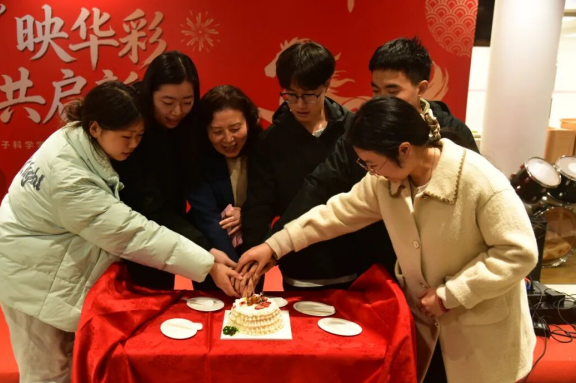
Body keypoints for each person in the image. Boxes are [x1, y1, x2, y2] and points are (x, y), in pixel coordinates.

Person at [240, 96, 537, 383]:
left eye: (371, 163)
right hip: (427, 329)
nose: (370, 171)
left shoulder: (478, 179)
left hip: (481, 335)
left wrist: (451, 294)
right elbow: (336, 214)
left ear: (404, 150)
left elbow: (518, 253)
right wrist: (274, 246)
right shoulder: (386, 182)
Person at [0, 81, 241, 383]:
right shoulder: (70, 179)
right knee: (45, 376)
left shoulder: (75, 139)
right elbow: (132, 234)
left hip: (41, 265)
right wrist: (207, 263)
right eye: (126, 137)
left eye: (139, 136)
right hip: (28, 279)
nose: (134, 145)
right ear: (96, 128)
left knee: (69, 366)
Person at [268, 37, 479, 270]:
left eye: (392, 91)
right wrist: (273, 244)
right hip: (384, 262)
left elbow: (474, 208)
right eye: (376, 90)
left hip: (447, 265)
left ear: (421, 88)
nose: (382, 100)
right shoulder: (363, 130)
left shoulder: (453, 133)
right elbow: (323, 187)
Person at [241, 40, 391, 291]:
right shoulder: (270, 142)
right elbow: (259, 207)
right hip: (299, 266)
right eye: (291, 95)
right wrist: (256, 261)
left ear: (327, 85)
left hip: (357, 265)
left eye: (309, 95)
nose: (300, 104)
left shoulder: (354, 131)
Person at [113, 51, 236, 290]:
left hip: (172, 226)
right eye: (167, 103)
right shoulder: (132, 123)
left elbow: (199, 186)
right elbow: (146, 202)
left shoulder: (191, 122)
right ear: (149, 93)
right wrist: (203, 248)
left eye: (187, 102)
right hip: (131, 230)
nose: (178, 111)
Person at [187, 85, 264, 291]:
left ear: (249, 122)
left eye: (235, 129)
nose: (228, 139)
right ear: (206, 131)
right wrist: (235, 271)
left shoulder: (263, 149)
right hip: (213, 255)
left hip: (254, 256)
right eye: (217, 132)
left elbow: (270, 199)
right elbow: (207, 216)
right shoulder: (196, 157)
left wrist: (246, 213)